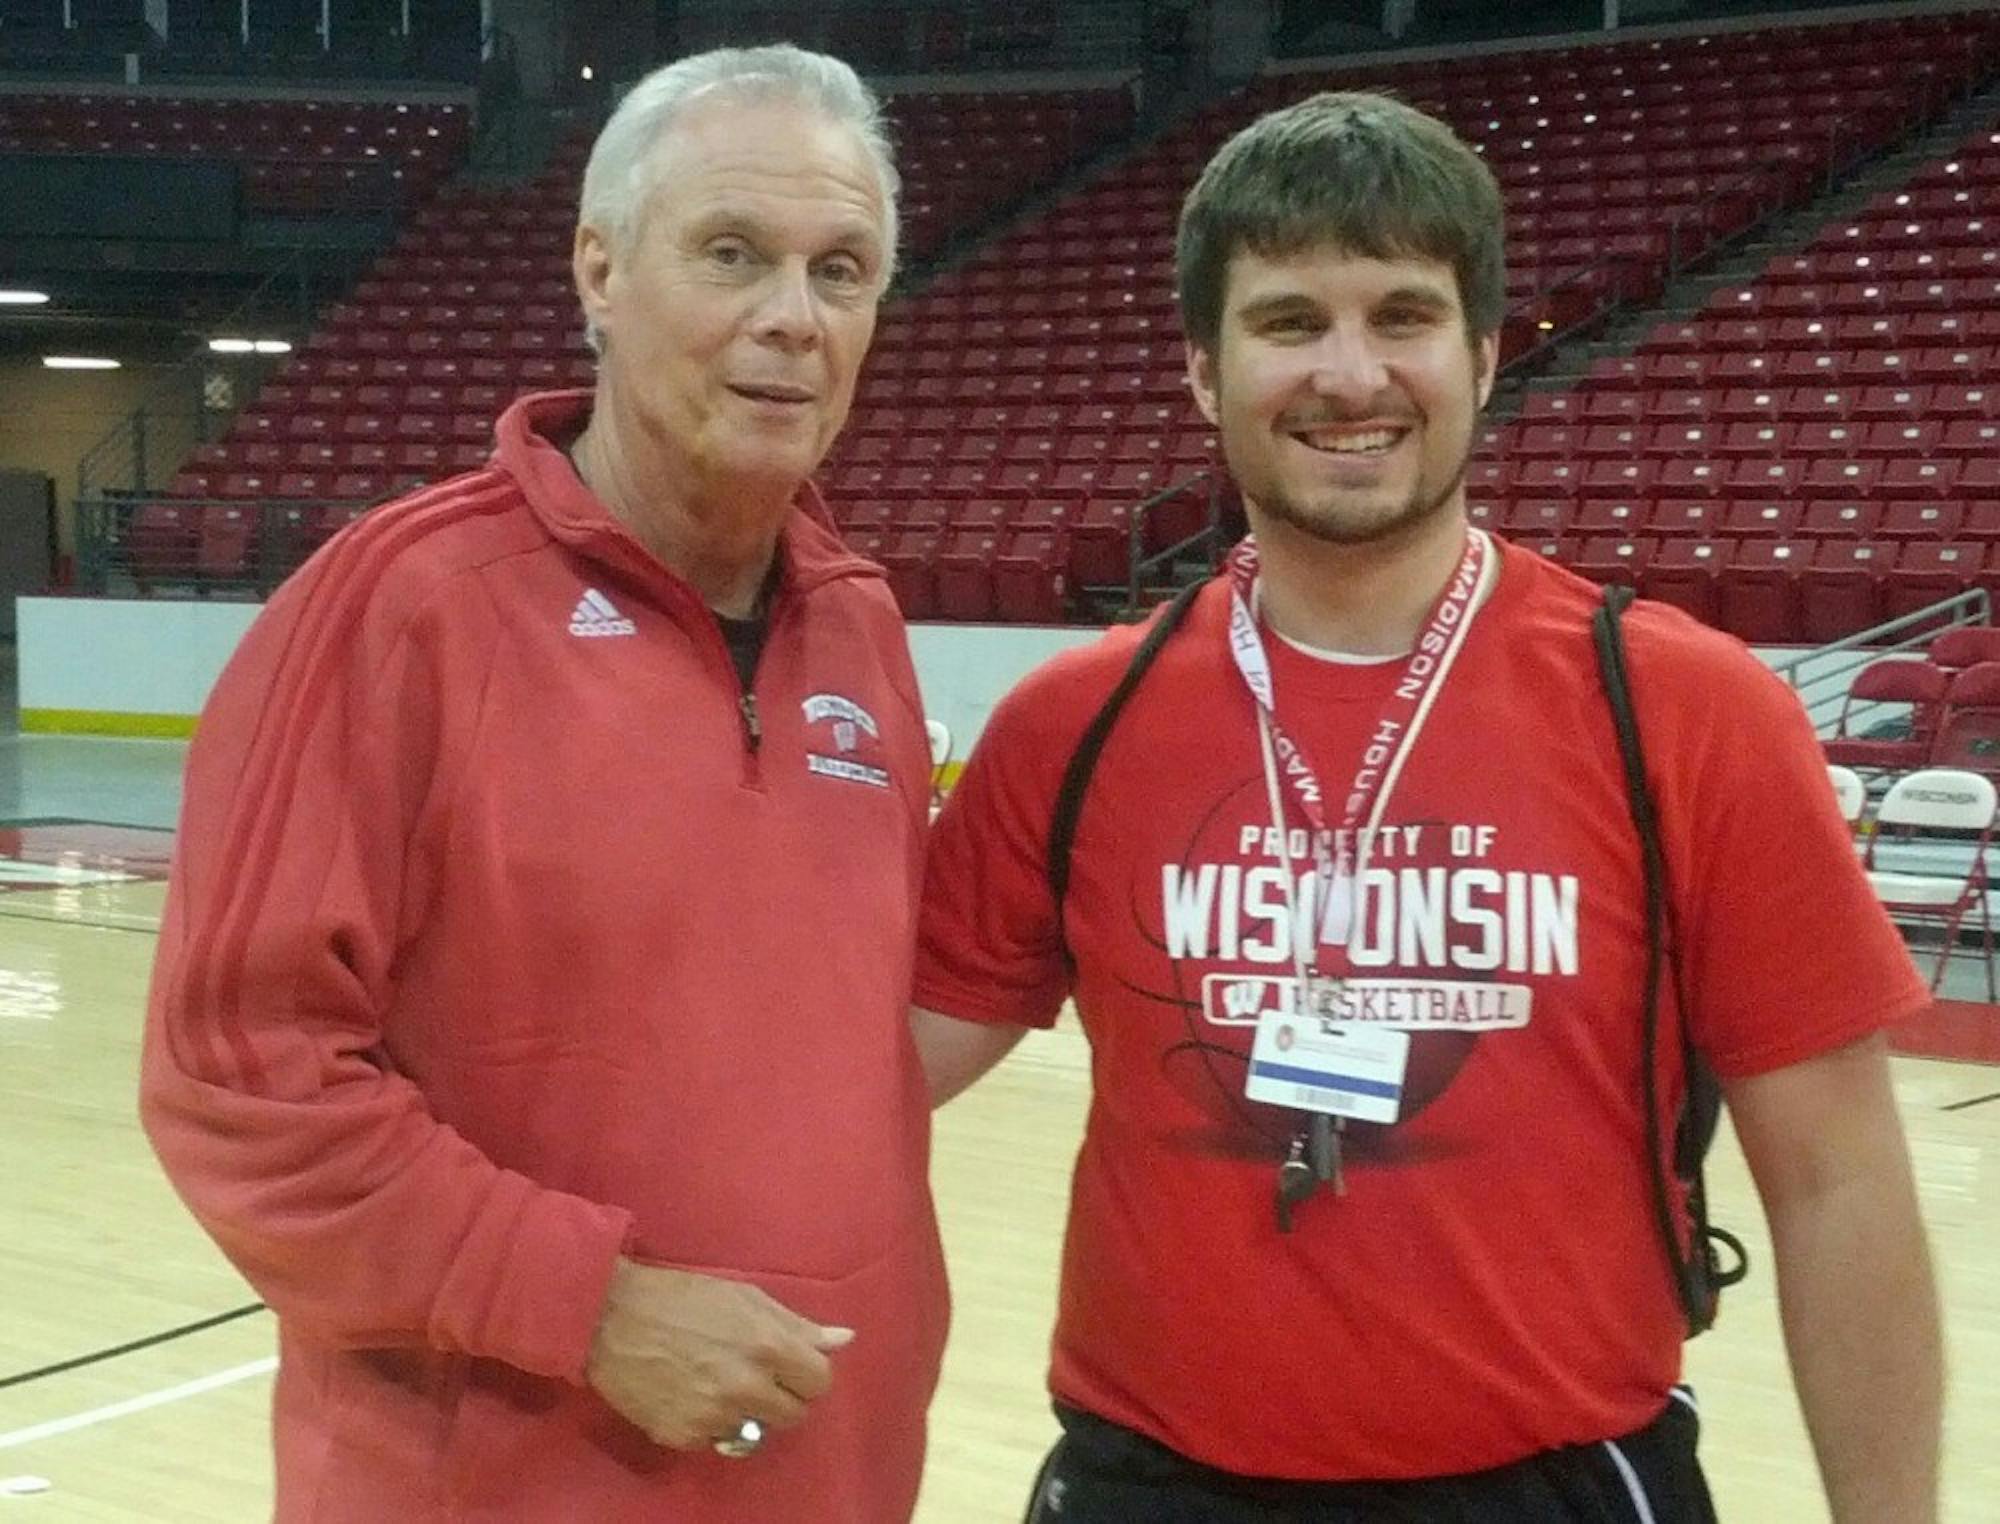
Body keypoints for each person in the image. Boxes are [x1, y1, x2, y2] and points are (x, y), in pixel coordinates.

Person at [910, 92, 1942, 1522]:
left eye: (1402, 315)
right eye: (1288, 323)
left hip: (1557, 1482)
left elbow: (1839, 1189)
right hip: (1151, 1482)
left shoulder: (1689, 712)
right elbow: (874, 1073)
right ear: (1205, 372)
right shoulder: (1069, 725)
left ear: (1485, 352)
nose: (1350, 374)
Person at [141, 44, 948, 1522]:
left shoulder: (864, 626)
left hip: (825, 1480)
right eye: (732, 254)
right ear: (598, 269)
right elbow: (238, 1081)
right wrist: (590, 1305)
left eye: (843, 271)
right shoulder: (401, 606)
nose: (793, 317)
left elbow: (843, 1048)